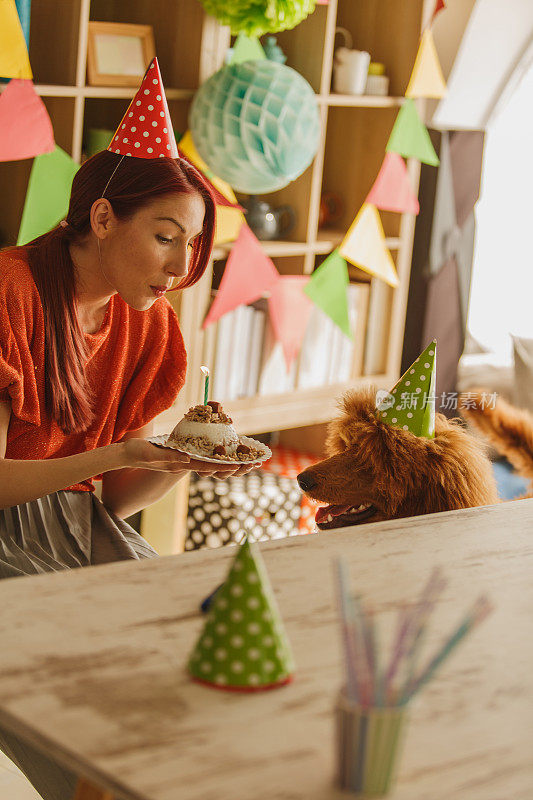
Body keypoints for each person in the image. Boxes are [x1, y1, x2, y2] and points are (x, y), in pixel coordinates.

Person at [0, 58, 258, 799]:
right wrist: (112, 451)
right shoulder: (12, 295)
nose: (181, 267)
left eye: (193, 245)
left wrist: (181, 454)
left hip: (79, 528)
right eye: (166, 237)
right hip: (6, 538)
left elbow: (108, 502)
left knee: (187, 636)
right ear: (105, 218)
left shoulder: (146, 331)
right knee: (82, 712)